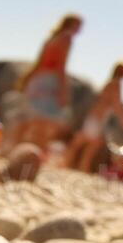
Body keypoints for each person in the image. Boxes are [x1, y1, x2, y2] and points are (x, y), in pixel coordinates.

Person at [12, 15, 82, 148]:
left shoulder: (51, 39)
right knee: (45, 123)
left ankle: (15, 150)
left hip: (37, 80)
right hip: (50, 82)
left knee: (28, 119)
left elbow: (39, 63)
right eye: (78, 25)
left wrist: (28, 79)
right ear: (70, 24)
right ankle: (36, 153)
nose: (80, 29)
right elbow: (60, 67)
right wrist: (63, 91)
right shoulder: (66, 38)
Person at [65, 61, 123, 172]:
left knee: (90, 143)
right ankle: (72, 165)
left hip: (97, 118)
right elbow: (116, 104)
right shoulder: (116, 84)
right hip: (97, 118)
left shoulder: (110, 82)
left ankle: (80, 166)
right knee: (83, 142)